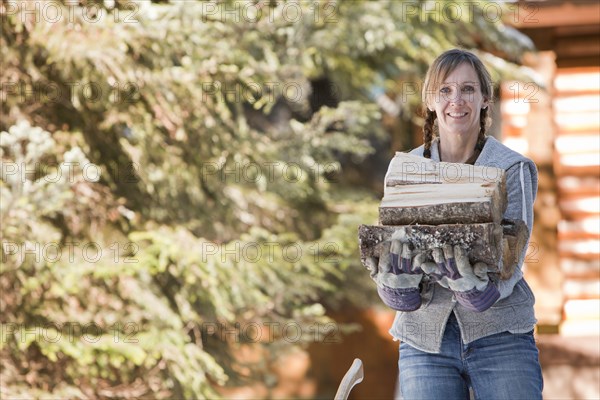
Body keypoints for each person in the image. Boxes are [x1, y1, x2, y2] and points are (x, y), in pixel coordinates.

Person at [367, 49, 543, 399]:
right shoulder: (405, 170)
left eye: (467, 89)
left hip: (500, 336)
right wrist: (397, 285)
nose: (456, 100)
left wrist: (477, 289)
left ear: (484, 99)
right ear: (431, 100)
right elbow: (392, 245)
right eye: (445, 90)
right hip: (424, 341)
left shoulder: (511, 168)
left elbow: (511, 260)